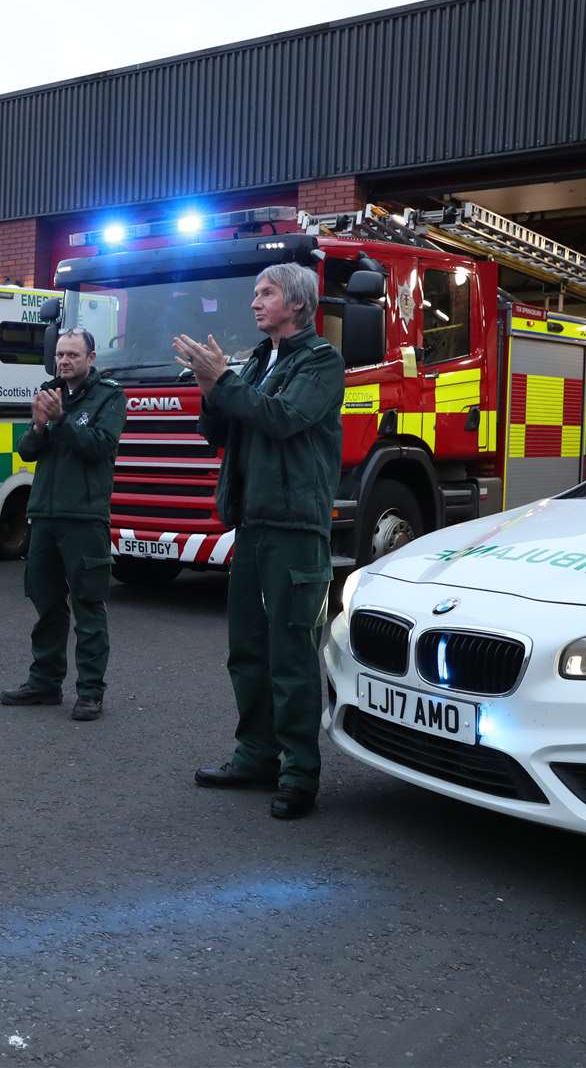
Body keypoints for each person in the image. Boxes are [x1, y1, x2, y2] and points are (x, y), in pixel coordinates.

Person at [175, 261, 344, 820]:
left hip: (295, 529)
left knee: (291, 654)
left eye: (265, 293)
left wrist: (224, 382)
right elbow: (219, 433)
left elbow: (281, 419)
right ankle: (255, 756)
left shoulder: (321, 361)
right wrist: (210, 390)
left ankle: (299, 774)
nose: (254, 302)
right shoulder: (258, 362)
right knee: (247, 650)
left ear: (296, 304)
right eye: (255, 293)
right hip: (252, 526)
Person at [0, 329, 126, 720]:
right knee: (46, 604)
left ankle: (90, 692)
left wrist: (60, 420)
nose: (64, 361)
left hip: (84, 518)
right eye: (59, 354)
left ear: (90, 356)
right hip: (44, 515)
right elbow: (27, 451)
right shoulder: (49, 391)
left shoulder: (109, 395)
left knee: (88, 607)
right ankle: (44, 683)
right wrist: (39, 426)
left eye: (72, 354)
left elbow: (100, 446)